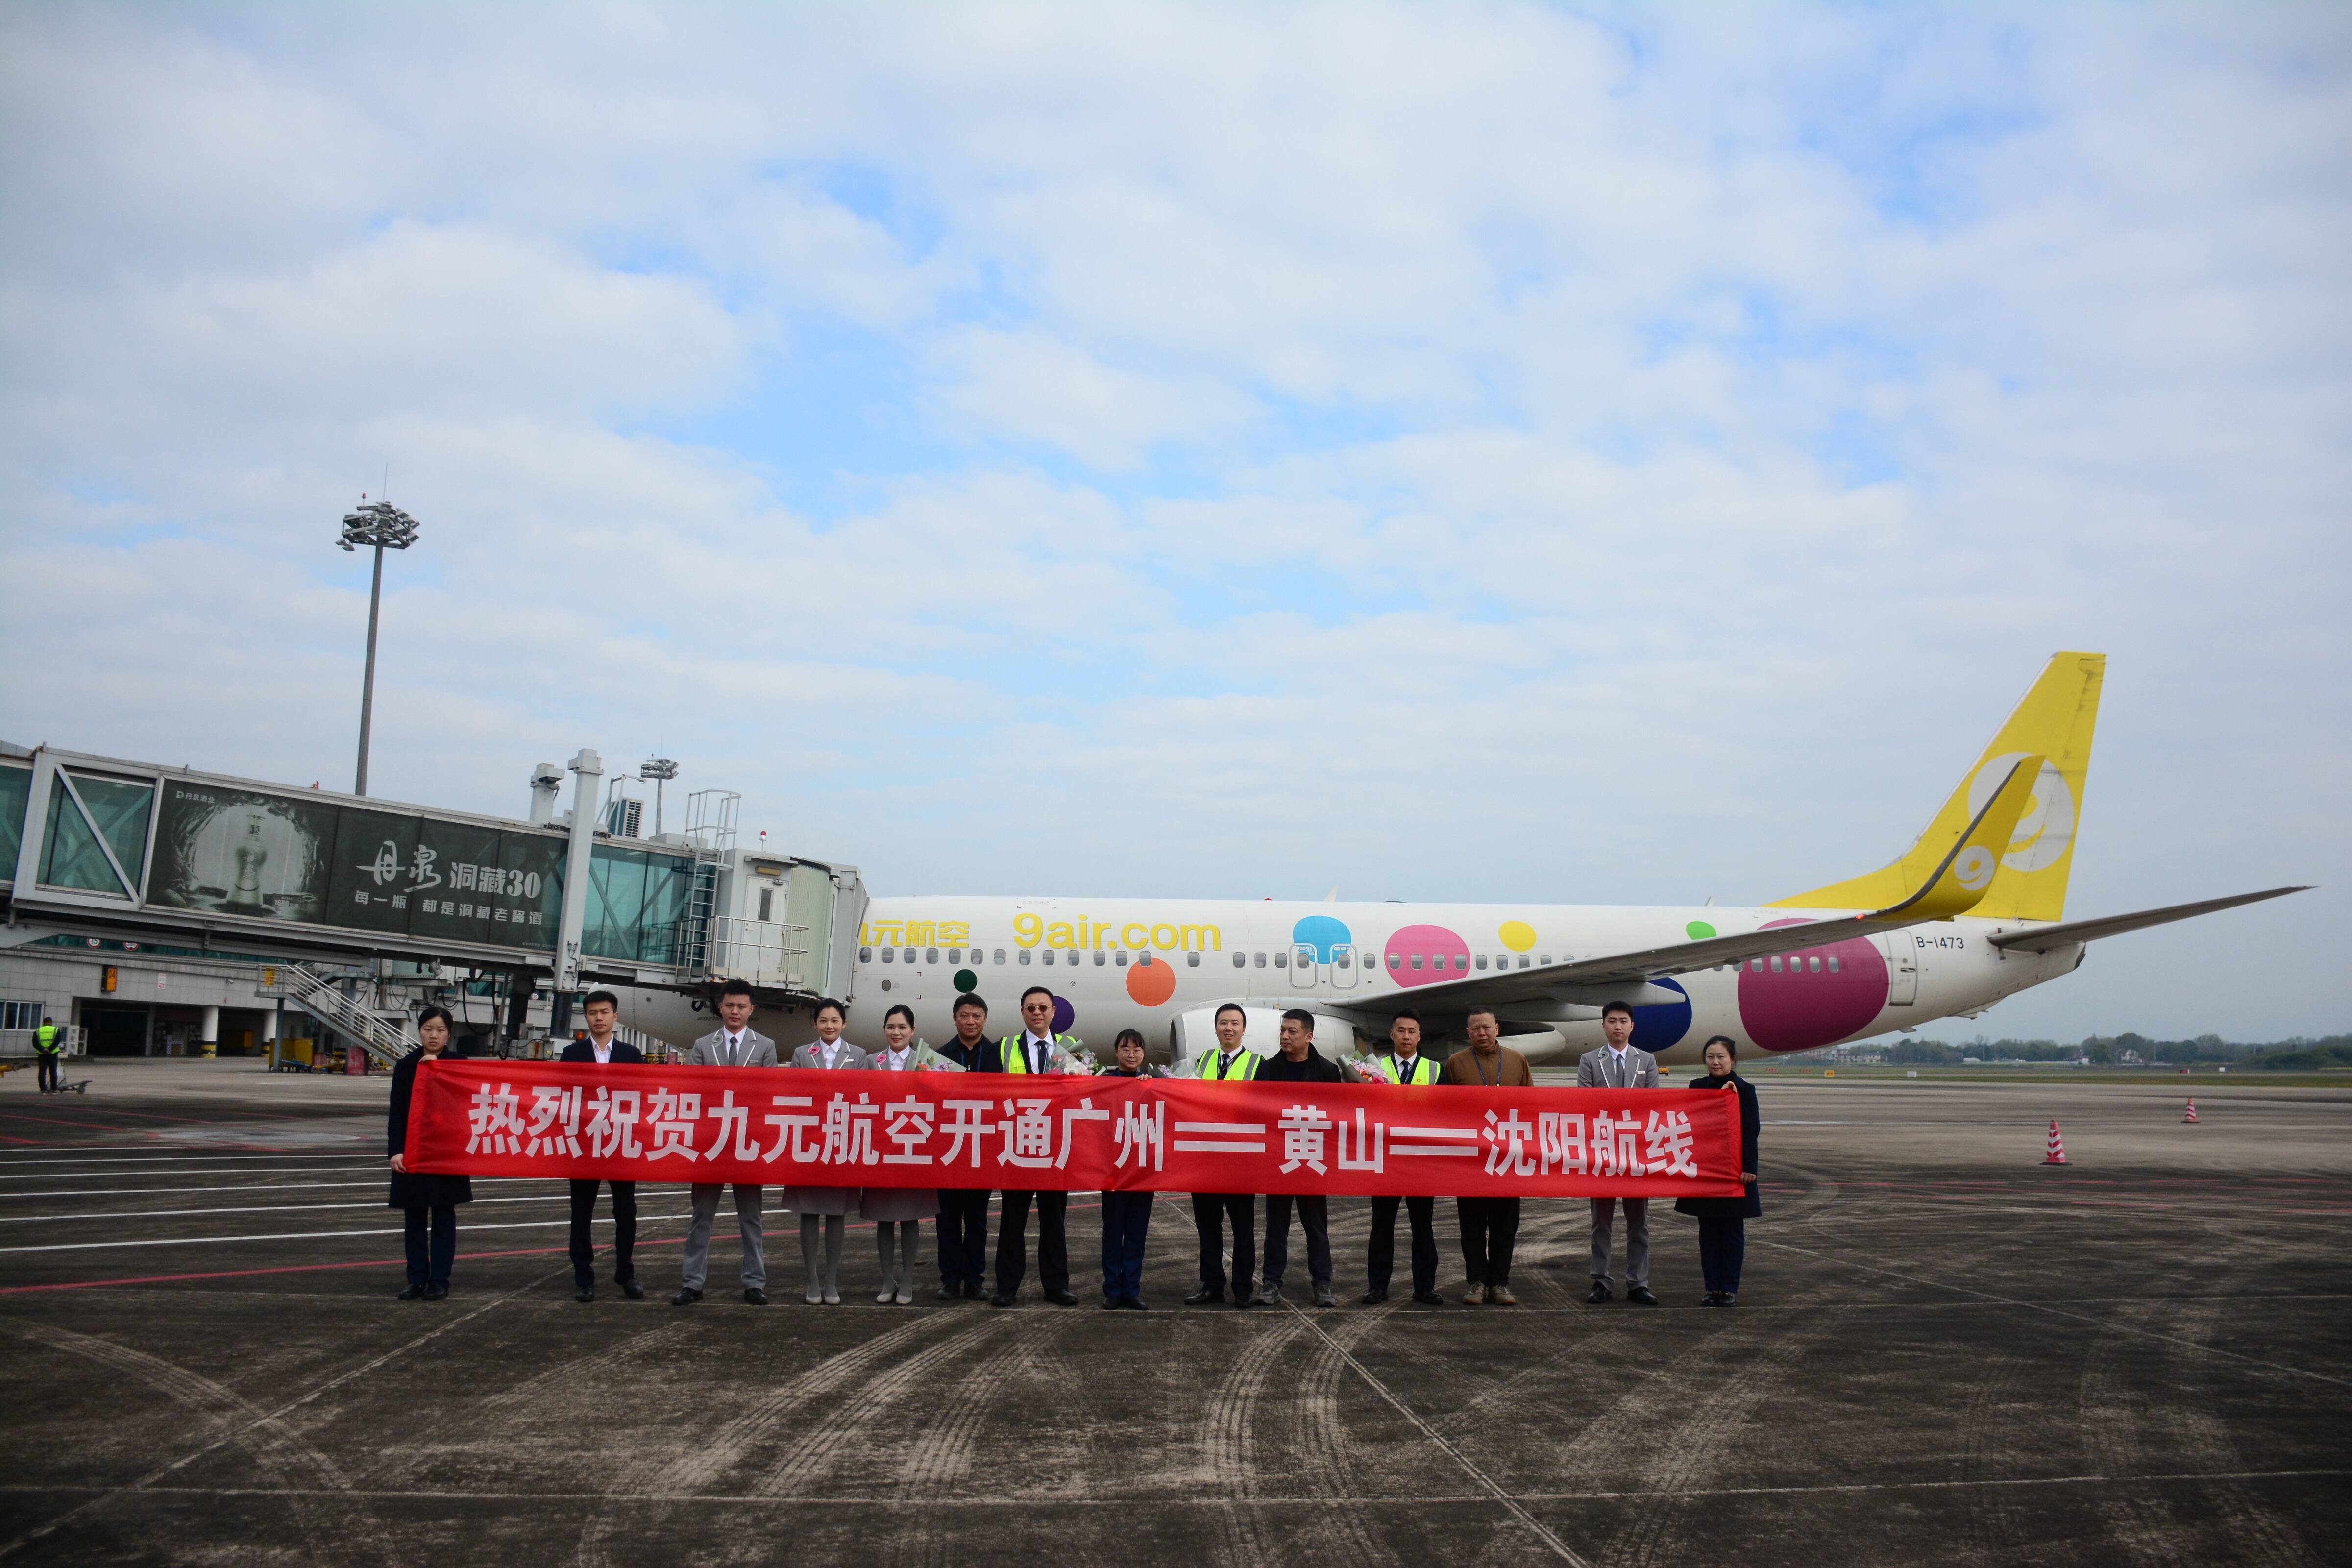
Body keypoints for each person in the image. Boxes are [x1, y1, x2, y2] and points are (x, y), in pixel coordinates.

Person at [674, 979, 778, 1308]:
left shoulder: (765, 1047)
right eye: (730, 1005)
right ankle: (692, 1282)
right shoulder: (703, 1045)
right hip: (711, 1143)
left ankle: (755, 1282)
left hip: (748, 1144)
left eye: (741, 1006)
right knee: (701, 1216)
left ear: (751, 1010)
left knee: (751, 1218)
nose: (735, 1011)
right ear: (720, 1007)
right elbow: (693, 1093)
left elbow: (769, 1095)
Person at [980, 987, 1081, 1306]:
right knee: (1012, 1221)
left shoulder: (1072, 1048)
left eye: (1043, 1008)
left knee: (1054, 1221)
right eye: (1031, 1008)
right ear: (1022, 1012)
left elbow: (1087, 1093)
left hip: (1055, 1148)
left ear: (1053, 1012)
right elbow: (985, 1092)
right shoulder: (1004, 1047)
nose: (1037, 1013)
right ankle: (1007, 1287)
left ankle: (1057, 1286)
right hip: (1017, 1146)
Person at [1254, 1009, 1346, 1307]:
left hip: (1314, 1160)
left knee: (1317, 1227)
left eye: (1292, 1031)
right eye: (1283, 1030)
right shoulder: (1268, 1069)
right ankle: (1271, 1283)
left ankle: (1323, 1283)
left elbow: (1337, 1117)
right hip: (1280, 1159)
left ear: (1309, 1036)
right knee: (1276, 1227)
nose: (1285, 1036)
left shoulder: (1327, 1071)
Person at [1441, 1007, 1532, 1305]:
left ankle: (1500, 1284)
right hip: (1471, 1159)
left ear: (1497, 1029)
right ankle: (1477, 1282)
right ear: (1468, 1033)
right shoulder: (1455, 1064)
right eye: (1476, 1029)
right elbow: (1444, 1110)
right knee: (1472, 1226)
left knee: (1505, 1225)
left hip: (1508, 1156)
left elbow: (1532, 1107)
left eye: (1487, 1027)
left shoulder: (1517, 1061)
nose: (1482, 1033)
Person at [559, 990, 644, 1302]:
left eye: (605, 1012)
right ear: (586, 1017)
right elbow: (563, 1094)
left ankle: (626, 1272)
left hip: (620, 1143)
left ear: (615, 1016)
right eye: (593, 1013)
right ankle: (584, 1277)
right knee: (582, 1212)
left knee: (626, 1211)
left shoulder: (631, 1054)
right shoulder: (572, 1054)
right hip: (584, 1144)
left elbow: (642, 1096)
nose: (599, 1018)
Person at [787, 999, 872, 1305]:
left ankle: (831, 1281)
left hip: (842, 1142)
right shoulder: (801, 1054)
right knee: (809, 1212)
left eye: (835, 1020)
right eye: (823, 1020)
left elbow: (863, 1097)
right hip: (809, 1142)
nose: (829, 1026)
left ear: (844, 1024)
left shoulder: (858, 1055)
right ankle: (812, 1280)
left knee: (837, 1214)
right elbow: (795, 1095)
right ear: (815, 1024)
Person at [1577, 1000, 1661, 1306]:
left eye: (1623, 1021)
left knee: (1639, 1223)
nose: (1618, 1026)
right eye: (1612, 1021)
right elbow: (1585, 1105)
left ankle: (1638, 1283)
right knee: (1601, 1223)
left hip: (1636, 1154)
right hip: (1601, 1153)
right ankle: (1601, 1281)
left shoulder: (1647, 1061)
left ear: (1632, 1026)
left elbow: (1653, 1105)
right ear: (1603, 1026)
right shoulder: (1589, 1060)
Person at [386, 1005, 472, 1300]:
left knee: (444, 1217)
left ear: (449, 1034)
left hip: (447, 1153)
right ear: (420, 1031)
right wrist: (396, 1151)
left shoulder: (459, 1065)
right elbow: (397, 1113)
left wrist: (439, 1070)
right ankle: (416, 1279)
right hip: (414, 1152)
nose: (434, 1035)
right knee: (414, 1218)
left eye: (440, 1030)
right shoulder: (406, 1066)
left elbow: (465, 1106)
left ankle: (439, 1280)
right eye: (428, 1029)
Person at [1363, 1008, 1444, 1306]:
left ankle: (1425, 1287)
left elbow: (1444, 1112)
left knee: (1423, 1227)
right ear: (1391, 1035)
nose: (1406, 1036)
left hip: (1421, 1160)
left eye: (1412, 1031)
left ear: (1419, 1036)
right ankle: (1377, 1287)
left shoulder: (1435, 1070)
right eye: (1401, 1031)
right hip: (1385, 1159)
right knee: (1382, 1226)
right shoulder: (1374, 1068)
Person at [1674, 1035, 1761, 1306]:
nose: (1715, 1062)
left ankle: (1729, 1289)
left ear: (1732, 1060)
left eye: (1721, 1057)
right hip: (1706, 1171)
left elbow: (1751, 1131)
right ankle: (1712, 1288)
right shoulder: (1697, 1087)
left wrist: (1749, 1167)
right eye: (1710, 1057)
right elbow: (1690, 1125)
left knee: (1732, 1232)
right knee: (1709, 1233)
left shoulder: (1745, 1090)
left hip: (1735, 1173)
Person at [1185, 1002, 1259, 1310]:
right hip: (1205, 1160)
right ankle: (1212, 1284)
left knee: (1243, 1230)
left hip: (1241, 1161)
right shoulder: (1200, 1062)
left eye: (1235, 1023)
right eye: (1223, 1023)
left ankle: (1243, 1288)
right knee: (1208, 1229)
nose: (1229, 1028)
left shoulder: (1259, 1064)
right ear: (1216, 1028)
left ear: (1244, 1029)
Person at [863, 1005, 934, 1305]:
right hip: (881, 1148)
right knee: (883, 1219)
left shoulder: (927, 1062)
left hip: (913, 1147)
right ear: (884, 1030)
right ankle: (887, 1280)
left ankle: (907, 1280)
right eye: (891, 1027)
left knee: (909, 1217)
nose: (897, 1032)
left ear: (913, 1031)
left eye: (903, 1027)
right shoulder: (870, 1062)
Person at [932, 994, 993, 1301]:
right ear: (954, 1018)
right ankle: (950, 1279)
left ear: (985, 1019)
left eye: (976, 1016)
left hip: (983, 1151)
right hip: (949, 1150)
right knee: (947, 1221)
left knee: (978, 1223)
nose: (971, 1022)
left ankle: (974, 1280)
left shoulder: (996, 1056)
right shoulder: (939, 1057)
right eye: (965, 1016)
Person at [1096, 1028, 1154, 1309]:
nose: (1132, 1055)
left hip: (1143, 1170)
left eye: (1137, 1050)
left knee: (1136, 1234)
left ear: (1143, 1054)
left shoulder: (1153, 1084)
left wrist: (1150, 1085)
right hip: (1114, 1171)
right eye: (1126, 1049)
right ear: (1116, 1052)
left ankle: (1131, 1289)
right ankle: (1112, 1290)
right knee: (1113, 1232)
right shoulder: (1104, 1083)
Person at [33, 1016, 60, 1093]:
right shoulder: (56, 1030)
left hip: (42, 1054)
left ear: (43, 1023)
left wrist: (43, 1050)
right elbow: (57, 1042)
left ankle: (43, 1090)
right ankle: (54, 1089)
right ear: (51, 1023)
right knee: (53, 1072)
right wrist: (50, 1049)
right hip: (53, 1054)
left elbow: (35, 1043)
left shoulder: (38, 1031)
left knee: (42, 1072)